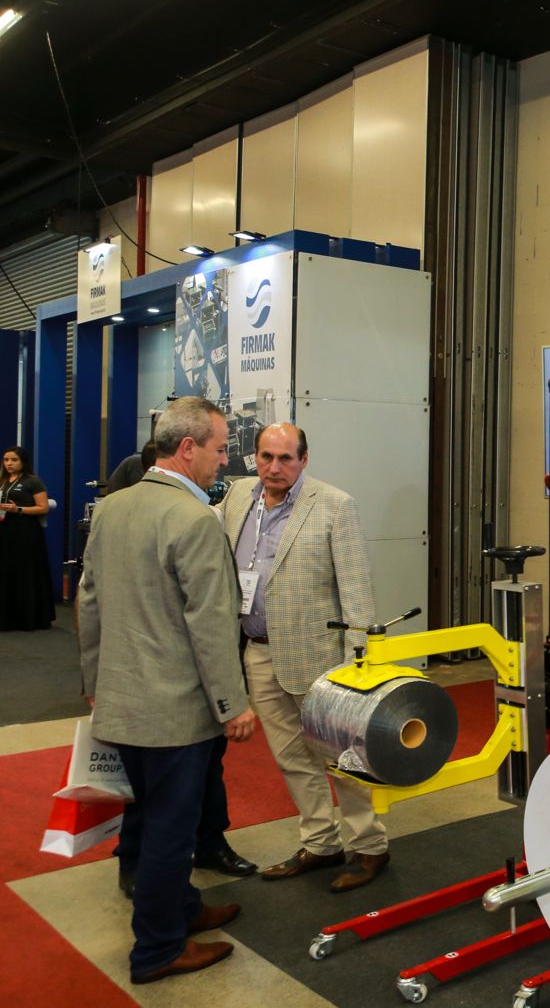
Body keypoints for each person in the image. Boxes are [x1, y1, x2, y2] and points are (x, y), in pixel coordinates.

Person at [79, 396, 259, 984]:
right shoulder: (194, 519)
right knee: (170, 832)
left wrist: (94, 683)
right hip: (177, 713)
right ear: (187, 448)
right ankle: (158, 950)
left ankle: (182, 910)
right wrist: (233, 705)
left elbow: (89, 601)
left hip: (122, 702)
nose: (224, 460)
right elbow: (211, 623)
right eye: (219, 448)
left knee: (153, 817)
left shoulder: (112, 508)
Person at [220, 423, 391, 892]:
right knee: (291, 757)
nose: (274, 467)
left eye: (285, 458)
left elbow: (356, 591)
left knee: (343, 758)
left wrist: (358, 668)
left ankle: (370, 846)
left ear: (304, 460)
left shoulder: (334, 505)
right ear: (254, 457)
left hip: (321, 660)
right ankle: (320, 843)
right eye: (266, 457)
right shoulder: (237, 497)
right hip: (258, 651)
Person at [0, 445, 56, 630]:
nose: (9, 463)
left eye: (14, 460)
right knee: (7, 571)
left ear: (23, 462)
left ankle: (29, 617)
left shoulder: (33, 482)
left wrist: (18, 509)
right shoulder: (3, 480)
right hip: (5, 531)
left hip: (26, 532)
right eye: (6, 460)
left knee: (25, 572)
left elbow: (43, 507)